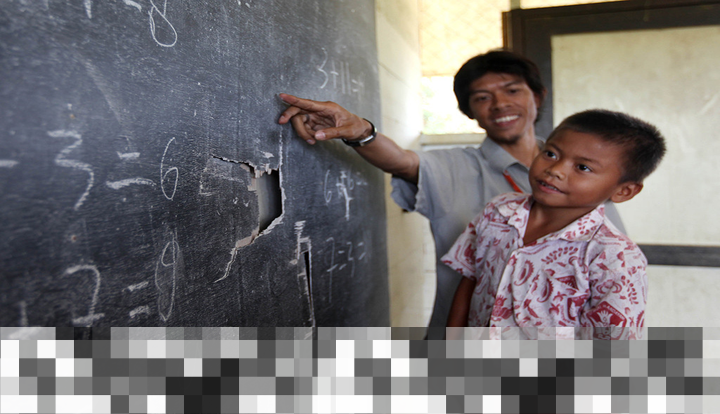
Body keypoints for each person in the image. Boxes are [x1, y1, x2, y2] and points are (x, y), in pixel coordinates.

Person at [277, 50, 625, 338]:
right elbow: (401, 161)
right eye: (482, 97)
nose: (500, 104)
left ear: (537, 96)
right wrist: (361, 132)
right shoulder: (455, 167)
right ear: (470, 112)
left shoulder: (586, 174)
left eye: (512, 90)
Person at [442, 109, 666, 340]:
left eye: (583, 167)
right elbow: (470, 281)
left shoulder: (614, 256)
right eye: (550, 153)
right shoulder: (498, 211)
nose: (555, 170)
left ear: (624, 191)